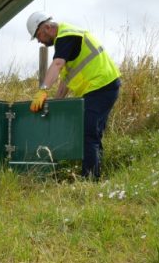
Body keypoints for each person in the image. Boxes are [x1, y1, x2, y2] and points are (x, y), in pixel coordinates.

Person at [25, 11, 121, 180]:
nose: (39, 40)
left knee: (88, 133)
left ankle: (89, 179)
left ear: (47, 27)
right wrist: (54, 106)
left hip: (101, 85)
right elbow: (65, 81)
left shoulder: (66, 35)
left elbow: (57, 64)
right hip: (102, 87)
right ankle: (95, 175)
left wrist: (43, 90)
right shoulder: (65, 43)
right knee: (93, 133)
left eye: (38, 35)